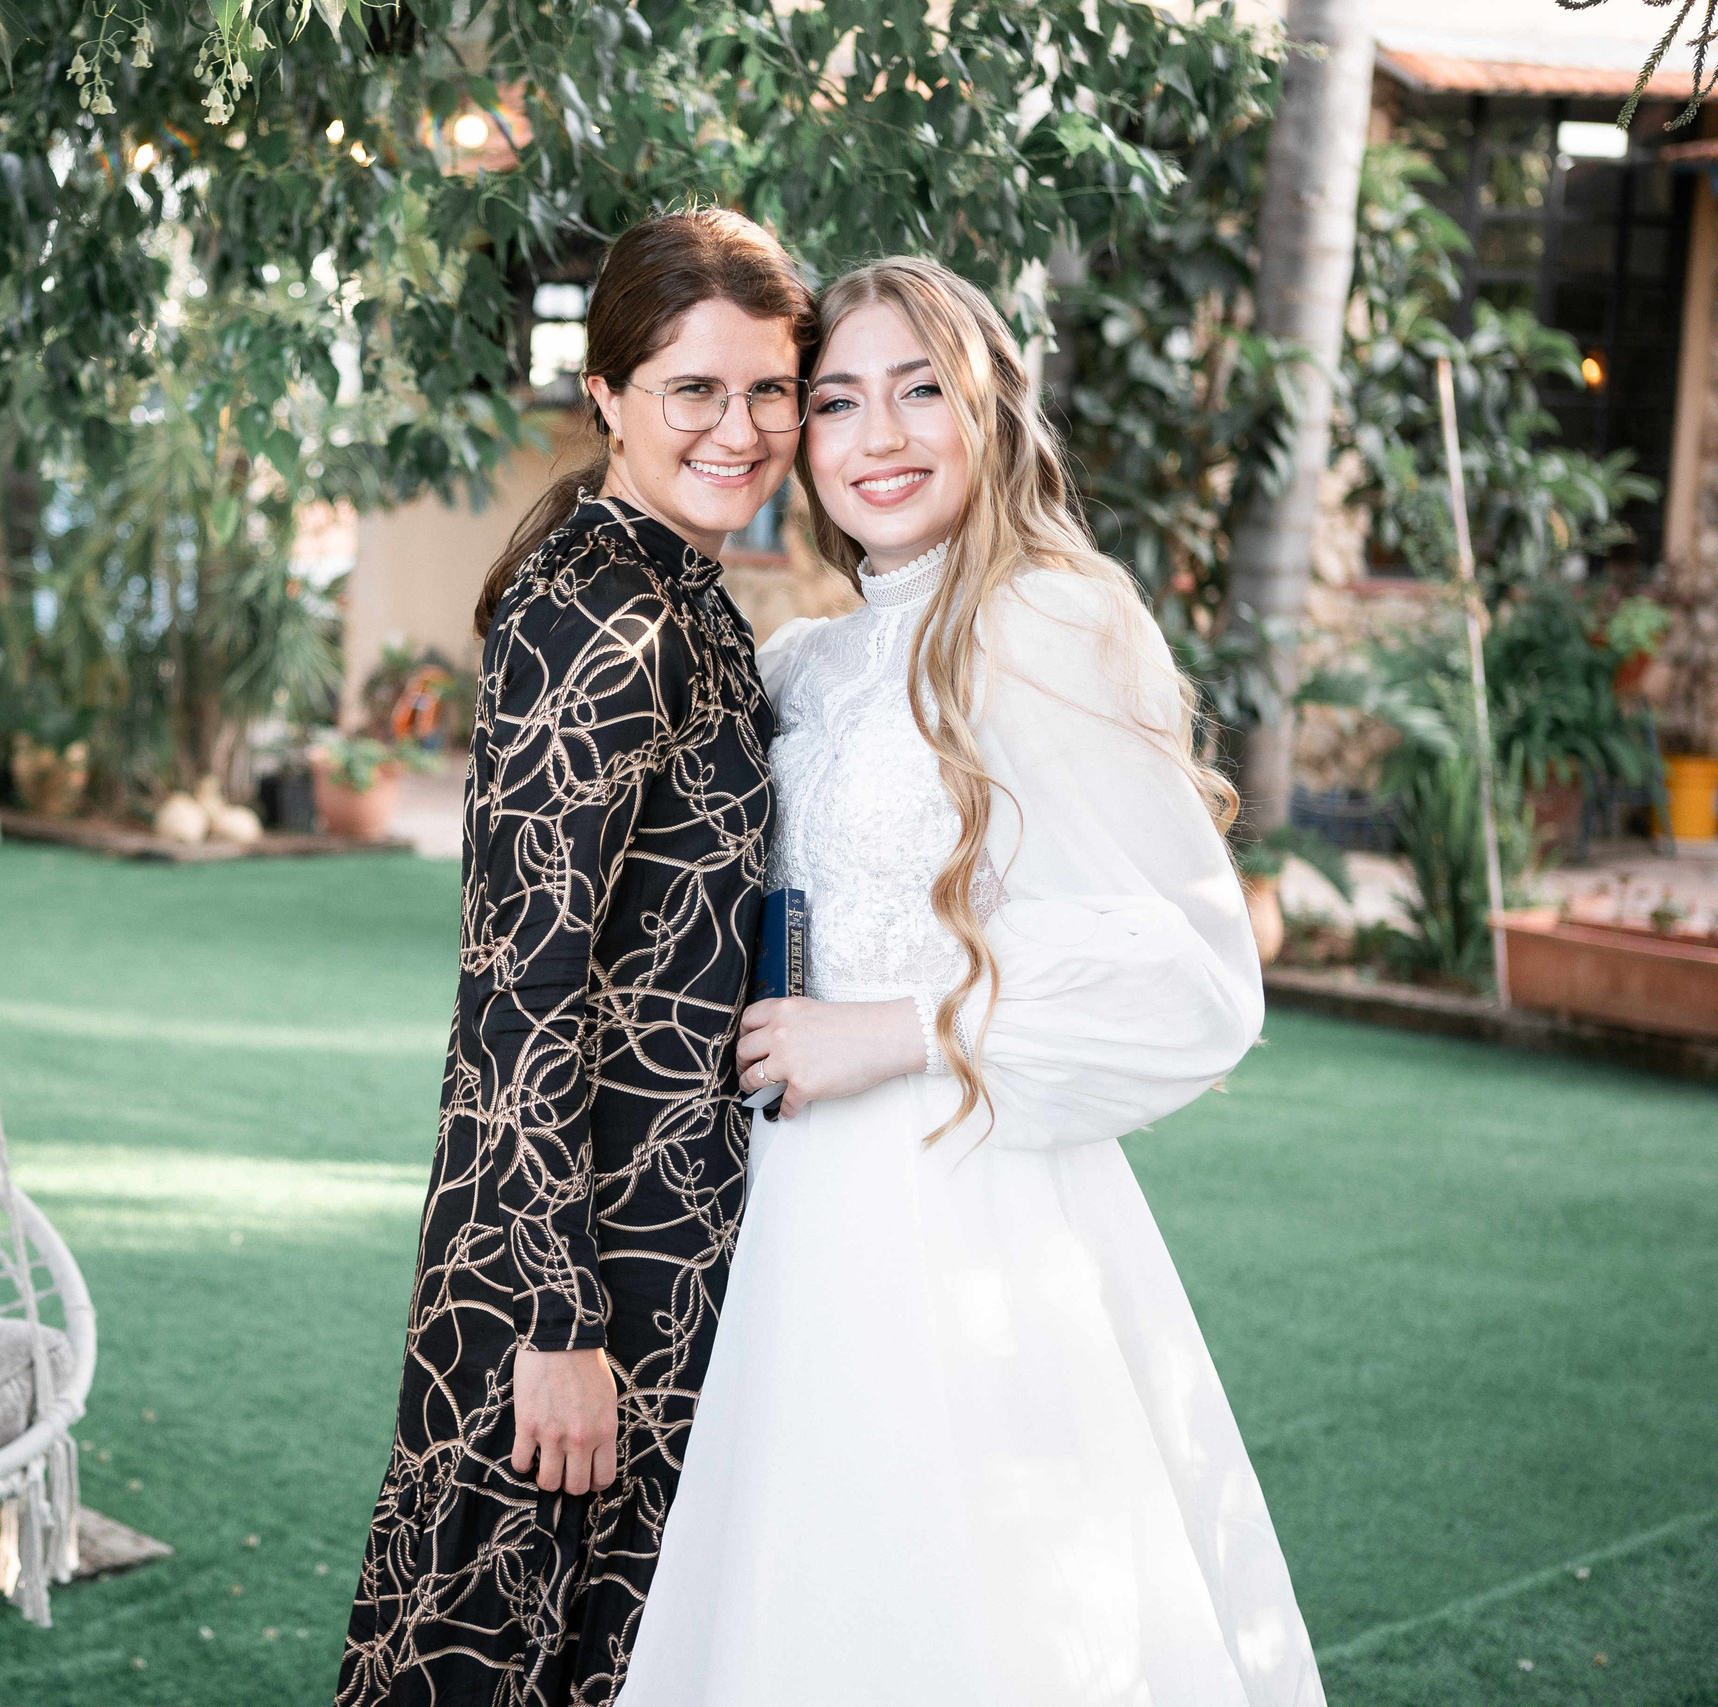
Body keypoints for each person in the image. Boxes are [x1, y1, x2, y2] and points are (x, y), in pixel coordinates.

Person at [617, 256, 1326, 1706]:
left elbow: (1195, 974)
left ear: (989, 409)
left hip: (969, 1200)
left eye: (920, 390)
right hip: (799, 1223)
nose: (879, 436)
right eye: (837, 400)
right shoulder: (813, 662)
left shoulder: (1053, 620)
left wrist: (892, 1032)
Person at [339, 208, 816, 1707]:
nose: (738, 431)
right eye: (694, 391)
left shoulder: (687, 593)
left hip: (667, 1236)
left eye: (769, 392)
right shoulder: (597, 613)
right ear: (606, 394)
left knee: (605, 1663)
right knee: (489, 1664)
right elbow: (516, 994)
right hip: (570, 1267)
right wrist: (553, 1323)